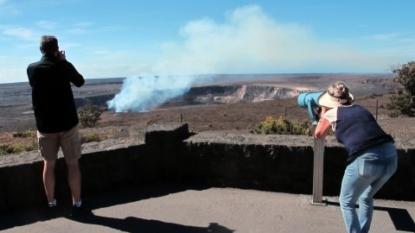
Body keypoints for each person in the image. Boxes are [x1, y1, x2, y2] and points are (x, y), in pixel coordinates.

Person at [314, 82, 397, 233]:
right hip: (391, 156)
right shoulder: (360, 108)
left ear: (329, 101)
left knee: (346, 201)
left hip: (367, 159)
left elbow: (318, 134)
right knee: (366, 197)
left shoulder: (332, 113)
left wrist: (323, 113)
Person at [27, 35, 88, 217]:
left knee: (49, 164)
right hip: (68, 124)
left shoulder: (32, 69)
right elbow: (80, 81)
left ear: (41, 50)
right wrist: (64, 61)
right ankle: (77, 203)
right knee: (73, 164)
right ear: (57, 48)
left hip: (46, 127)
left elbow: (34, 83)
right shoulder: (64, 66)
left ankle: (51, 203)